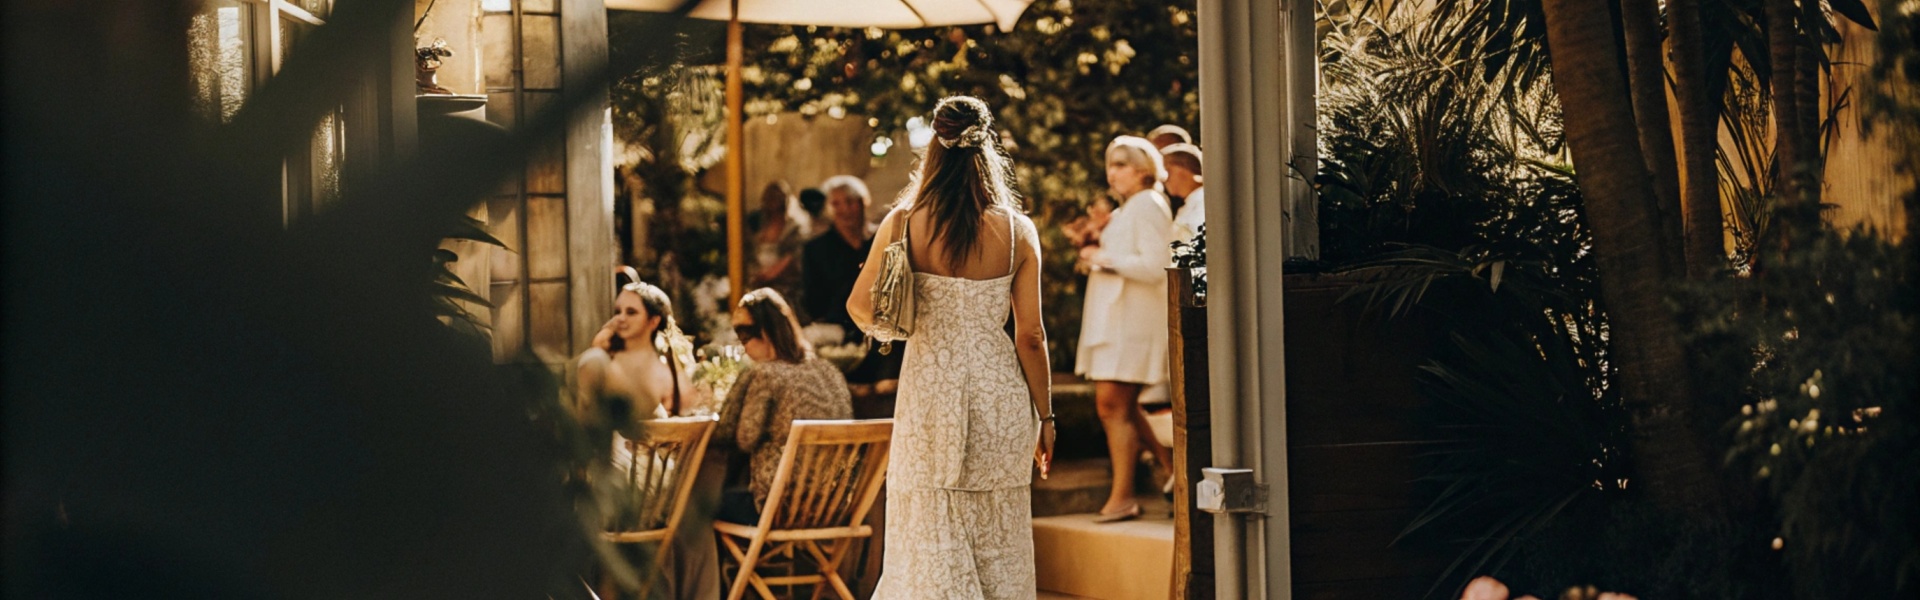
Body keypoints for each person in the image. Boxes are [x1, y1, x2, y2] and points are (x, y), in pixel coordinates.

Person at [847, 95, 1054, 599]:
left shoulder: (903, 223)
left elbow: (859, 306)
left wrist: (904, 329)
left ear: (933, 152)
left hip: (929, 397)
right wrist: (1046, 418)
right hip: (999, 398)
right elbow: (1030, 335)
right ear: (986, 151)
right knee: (998, 532)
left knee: (928, 526)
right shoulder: (1016, 231)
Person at [576, 281, 716, 600]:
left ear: (653, 321)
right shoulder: (669, 365)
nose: (619, 319)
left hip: (627, 500)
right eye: (617, 312)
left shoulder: (623, 366)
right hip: (665, 502)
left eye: (630, 312)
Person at [1076, 135, 1177, 523]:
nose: (1112, 172)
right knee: (1125, 406)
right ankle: (1171, 472)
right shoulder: (1128, 210)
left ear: (1142, 169)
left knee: (1111, 405)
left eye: (1121, 164)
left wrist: (1102, 257)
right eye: (1110, 164)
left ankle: (1123, 496)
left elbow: (1155, 265)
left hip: (1130, 326)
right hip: (1117, 323)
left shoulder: (1149, 205)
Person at [711, 288, 854, 522]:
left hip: (782, 509)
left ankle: (742, 559)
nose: (742, 344)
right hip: (834, 507)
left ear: (766, 333)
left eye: (744, 334)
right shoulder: (828, 370)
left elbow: (744, 438)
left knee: (699, 505)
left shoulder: (768, 374)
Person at [802, 175, 903, 416]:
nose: (844, 210)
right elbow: (813, 301)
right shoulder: (816, 249)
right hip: (838, 330)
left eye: (850, 202)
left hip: (881, 329)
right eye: (836, 204)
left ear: (863, 202)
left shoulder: (881, 240)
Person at [747, 180, 806, 308]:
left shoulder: (794, 228)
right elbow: (751, 254)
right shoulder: (760, 225)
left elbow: (792, 256)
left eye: (777, 198)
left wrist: (769, 275)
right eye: (770, 198)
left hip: (785, 285)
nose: (773, 202)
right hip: (760, 282)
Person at [1161, 142, 1206, 241]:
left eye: (1167, 170)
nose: (1164, 179)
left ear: (1183, 169)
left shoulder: (1205, 201)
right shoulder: (1190, 204)